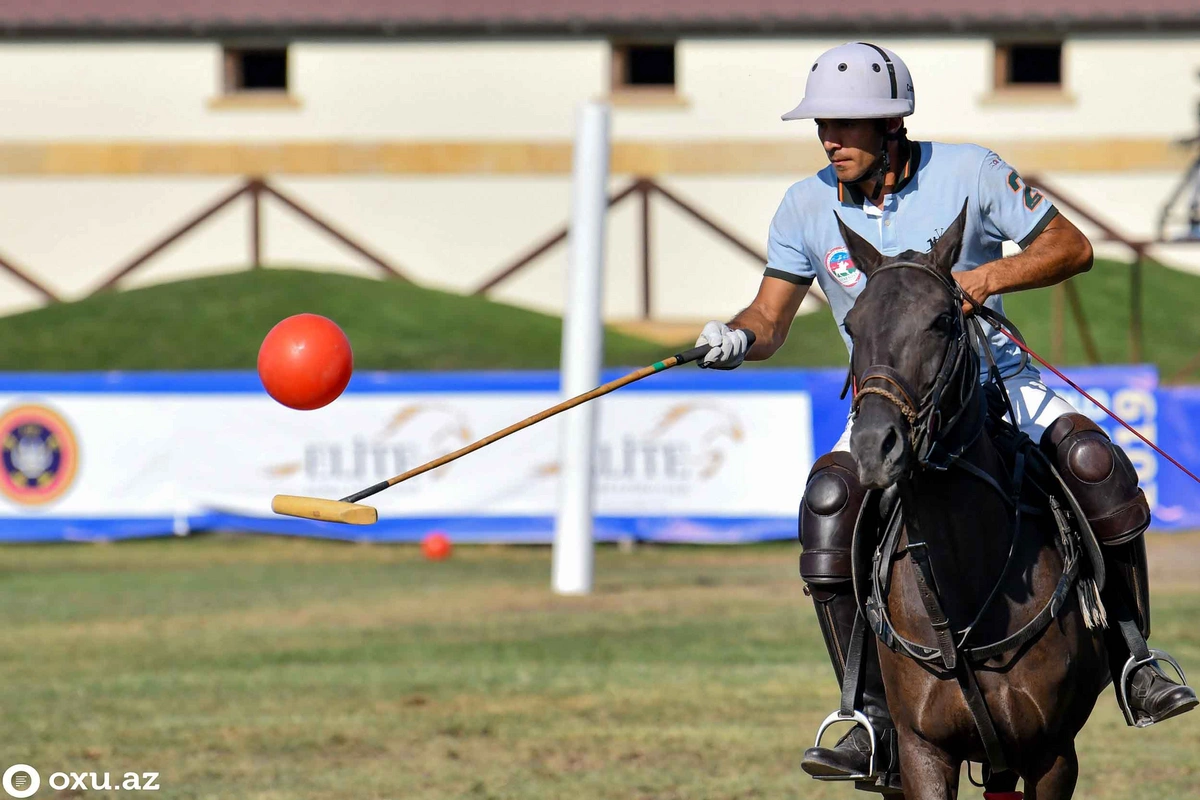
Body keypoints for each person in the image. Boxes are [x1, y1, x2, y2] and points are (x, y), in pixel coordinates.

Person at [695, 42, 1197, 792]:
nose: (830, 139)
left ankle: (1133, 657)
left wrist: (983, 278)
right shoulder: (806, 205)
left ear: (893, 125)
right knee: (828, 502)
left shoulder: (971, 173)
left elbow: (1071, 247)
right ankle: (865, 715)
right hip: (885, 403)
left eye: (846, 125)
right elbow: (770, 316)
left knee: (1098, 466)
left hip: (998, 387)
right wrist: (737, 336)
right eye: (823, 124)